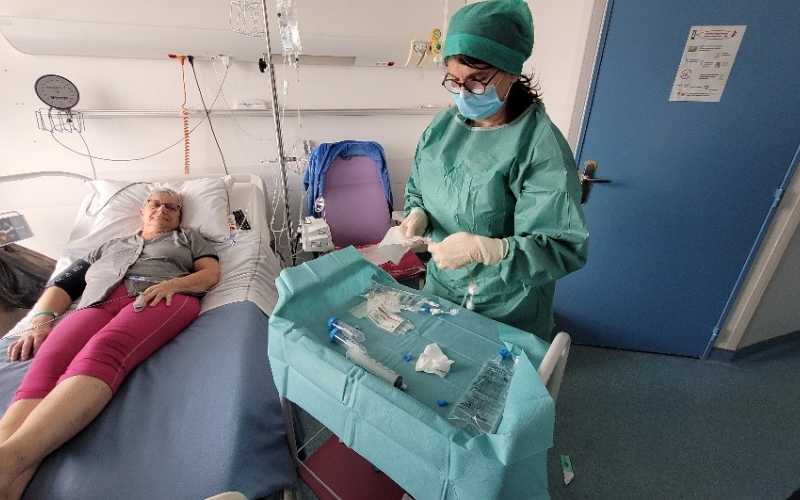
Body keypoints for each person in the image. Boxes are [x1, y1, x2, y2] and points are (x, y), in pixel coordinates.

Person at [0, 189, 220, 499]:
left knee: (103, 349)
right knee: (47, 363)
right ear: (142, 210)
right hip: (94, 304)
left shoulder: (189, 239)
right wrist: (41, 320)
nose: (163, 209)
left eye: (172, 206)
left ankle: (10, 459)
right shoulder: (109, 245)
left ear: (180, 215)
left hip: (160, 297)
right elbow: (64, 285)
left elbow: (210, 274)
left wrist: (174, 283)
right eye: (155, 203)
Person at [401, 0, 589, 341]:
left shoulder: (538, 146)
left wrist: (489, 250)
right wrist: (417, 212)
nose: (463, 92)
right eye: (454, 80)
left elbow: (562, 247)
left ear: (512, 73)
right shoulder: (442, 129)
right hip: (442, 289)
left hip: (508, 307)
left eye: (476, 81)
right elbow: (419, 185)